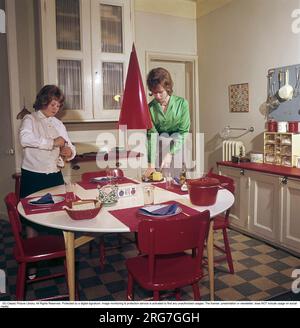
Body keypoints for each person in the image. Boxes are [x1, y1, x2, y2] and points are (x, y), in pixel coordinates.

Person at [19, 85, 76, 278]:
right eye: (53, 104)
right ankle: (31, 265)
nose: (56, 108)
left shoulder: (59, 124)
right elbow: (25, 139)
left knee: (58, 214)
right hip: (33, 175)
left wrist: (70, 152)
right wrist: (52, 143)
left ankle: (58, 256)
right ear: (43, 101)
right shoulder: (30, 119)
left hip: (54, 175)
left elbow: (69, 145)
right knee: (31, 219)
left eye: (58, 105)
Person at [143, 67, 191, 178]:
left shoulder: (182, 104)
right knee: (160, 182)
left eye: (160, 92)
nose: (157, 96)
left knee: (177, 182)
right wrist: (151, 164)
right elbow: (151, 136)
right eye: (154, 93)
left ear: (167, 87)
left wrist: (170, 153)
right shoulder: (149, 108)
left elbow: (183, 132)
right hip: (159, 150)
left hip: (178, 147)